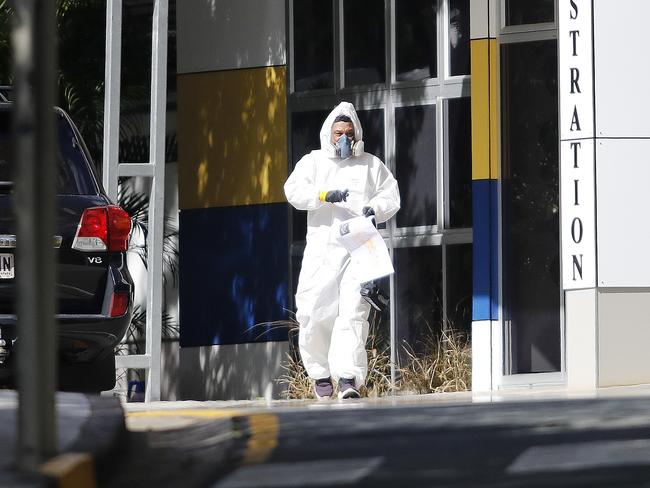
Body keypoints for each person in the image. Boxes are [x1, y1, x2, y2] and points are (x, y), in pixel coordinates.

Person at [284, 102, 400, 399]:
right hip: (322, 249)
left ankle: (348, 378)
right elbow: (293, 191)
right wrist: (323, 195)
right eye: (339, 132)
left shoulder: (371, 165)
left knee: (353, 313)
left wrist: (374, 209)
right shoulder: (313, 163)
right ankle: (321, 375)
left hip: (358, 249)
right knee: (313, 311)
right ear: (329, 133)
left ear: (356, 133)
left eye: (349, 132)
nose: (344, 138)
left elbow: (391, 195)